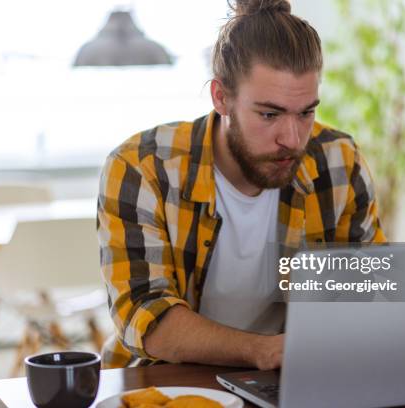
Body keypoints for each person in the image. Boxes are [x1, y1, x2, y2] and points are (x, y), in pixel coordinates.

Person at [97, 0, 386, 369]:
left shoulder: (338, 161)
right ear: (221, 97)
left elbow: (367, 292)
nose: (293, 138)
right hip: (166, 383)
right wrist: (263, 351)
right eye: (269, 114)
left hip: (295, 379)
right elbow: (145, 314)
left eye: (306, 112)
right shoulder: (142, 167)